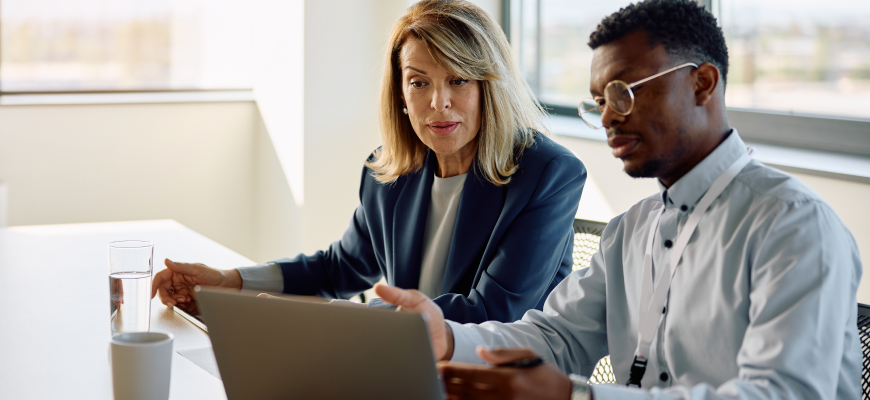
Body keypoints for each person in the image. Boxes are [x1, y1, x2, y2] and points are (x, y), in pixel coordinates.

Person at [374, 0, 863, 398]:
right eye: (600, 101)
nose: (608, 117)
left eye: (623, 92)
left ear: (703, 83)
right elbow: (556, 336)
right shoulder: (632, 230)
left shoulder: (794, 225)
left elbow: (780, 394)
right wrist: (447, 336)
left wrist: (578, 397)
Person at [150, 0, 586, 324]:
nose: (438, 103)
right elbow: (339, 269)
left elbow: (495, 312)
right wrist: (230, 282)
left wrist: (337, 322)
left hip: (493, 381)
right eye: (419, 82)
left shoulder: (548, 174)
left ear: (490, 86)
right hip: (404, 371)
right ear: (400, 92)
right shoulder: (389, 171)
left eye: (459, 79)